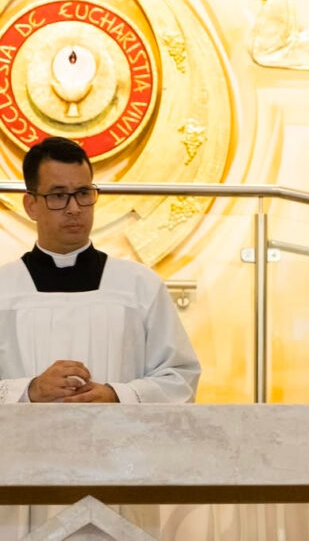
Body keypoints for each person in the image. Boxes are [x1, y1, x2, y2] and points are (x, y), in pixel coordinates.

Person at [0, 136, 201, 537]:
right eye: (58, 195)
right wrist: (29, 390)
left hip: (120, 477)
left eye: (83, 193)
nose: (74, 208)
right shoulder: (3, 288)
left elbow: (179, 379)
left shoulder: (139, 286)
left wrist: (116, 394)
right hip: (21, 488)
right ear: (30, 204)